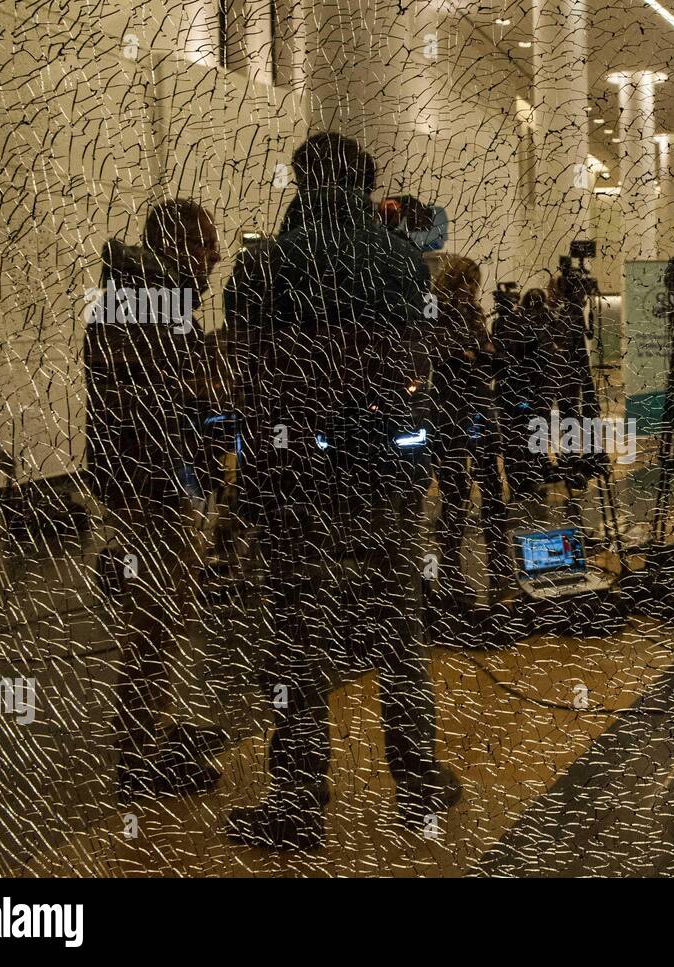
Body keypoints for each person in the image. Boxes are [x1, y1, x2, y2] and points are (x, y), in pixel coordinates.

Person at [224, 132, 460, 850]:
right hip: (384, 474)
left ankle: (297, 802)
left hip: (301, 481)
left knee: (298, 639)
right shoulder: (402, 260)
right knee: (396, 627)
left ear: (301, 180)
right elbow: (423, 361)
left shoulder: (270, 262)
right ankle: (418, 774)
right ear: (364, 185)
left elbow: (246, 358)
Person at [85, 199, 224, 798]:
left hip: (155, 477)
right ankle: (140, 759)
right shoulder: (151, 305)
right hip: (152, 481)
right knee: (155, 620)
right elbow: (158, 398)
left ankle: (154, 728)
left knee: (167, 615)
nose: (217, 255)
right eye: (206, 243)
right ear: (177, 246)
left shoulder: (148, 299)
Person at [426, 255, 513, 603]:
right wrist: (471, 354)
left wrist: (474, 354)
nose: (474, 290)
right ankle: (449, 572)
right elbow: (440, 352)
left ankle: (500, 567)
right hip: (450, 408)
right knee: (455, 492)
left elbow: (486, 353)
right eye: (470, 282)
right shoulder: (435, 308)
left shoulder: (473, 312)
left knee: (491, 486)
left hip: (476, 403)